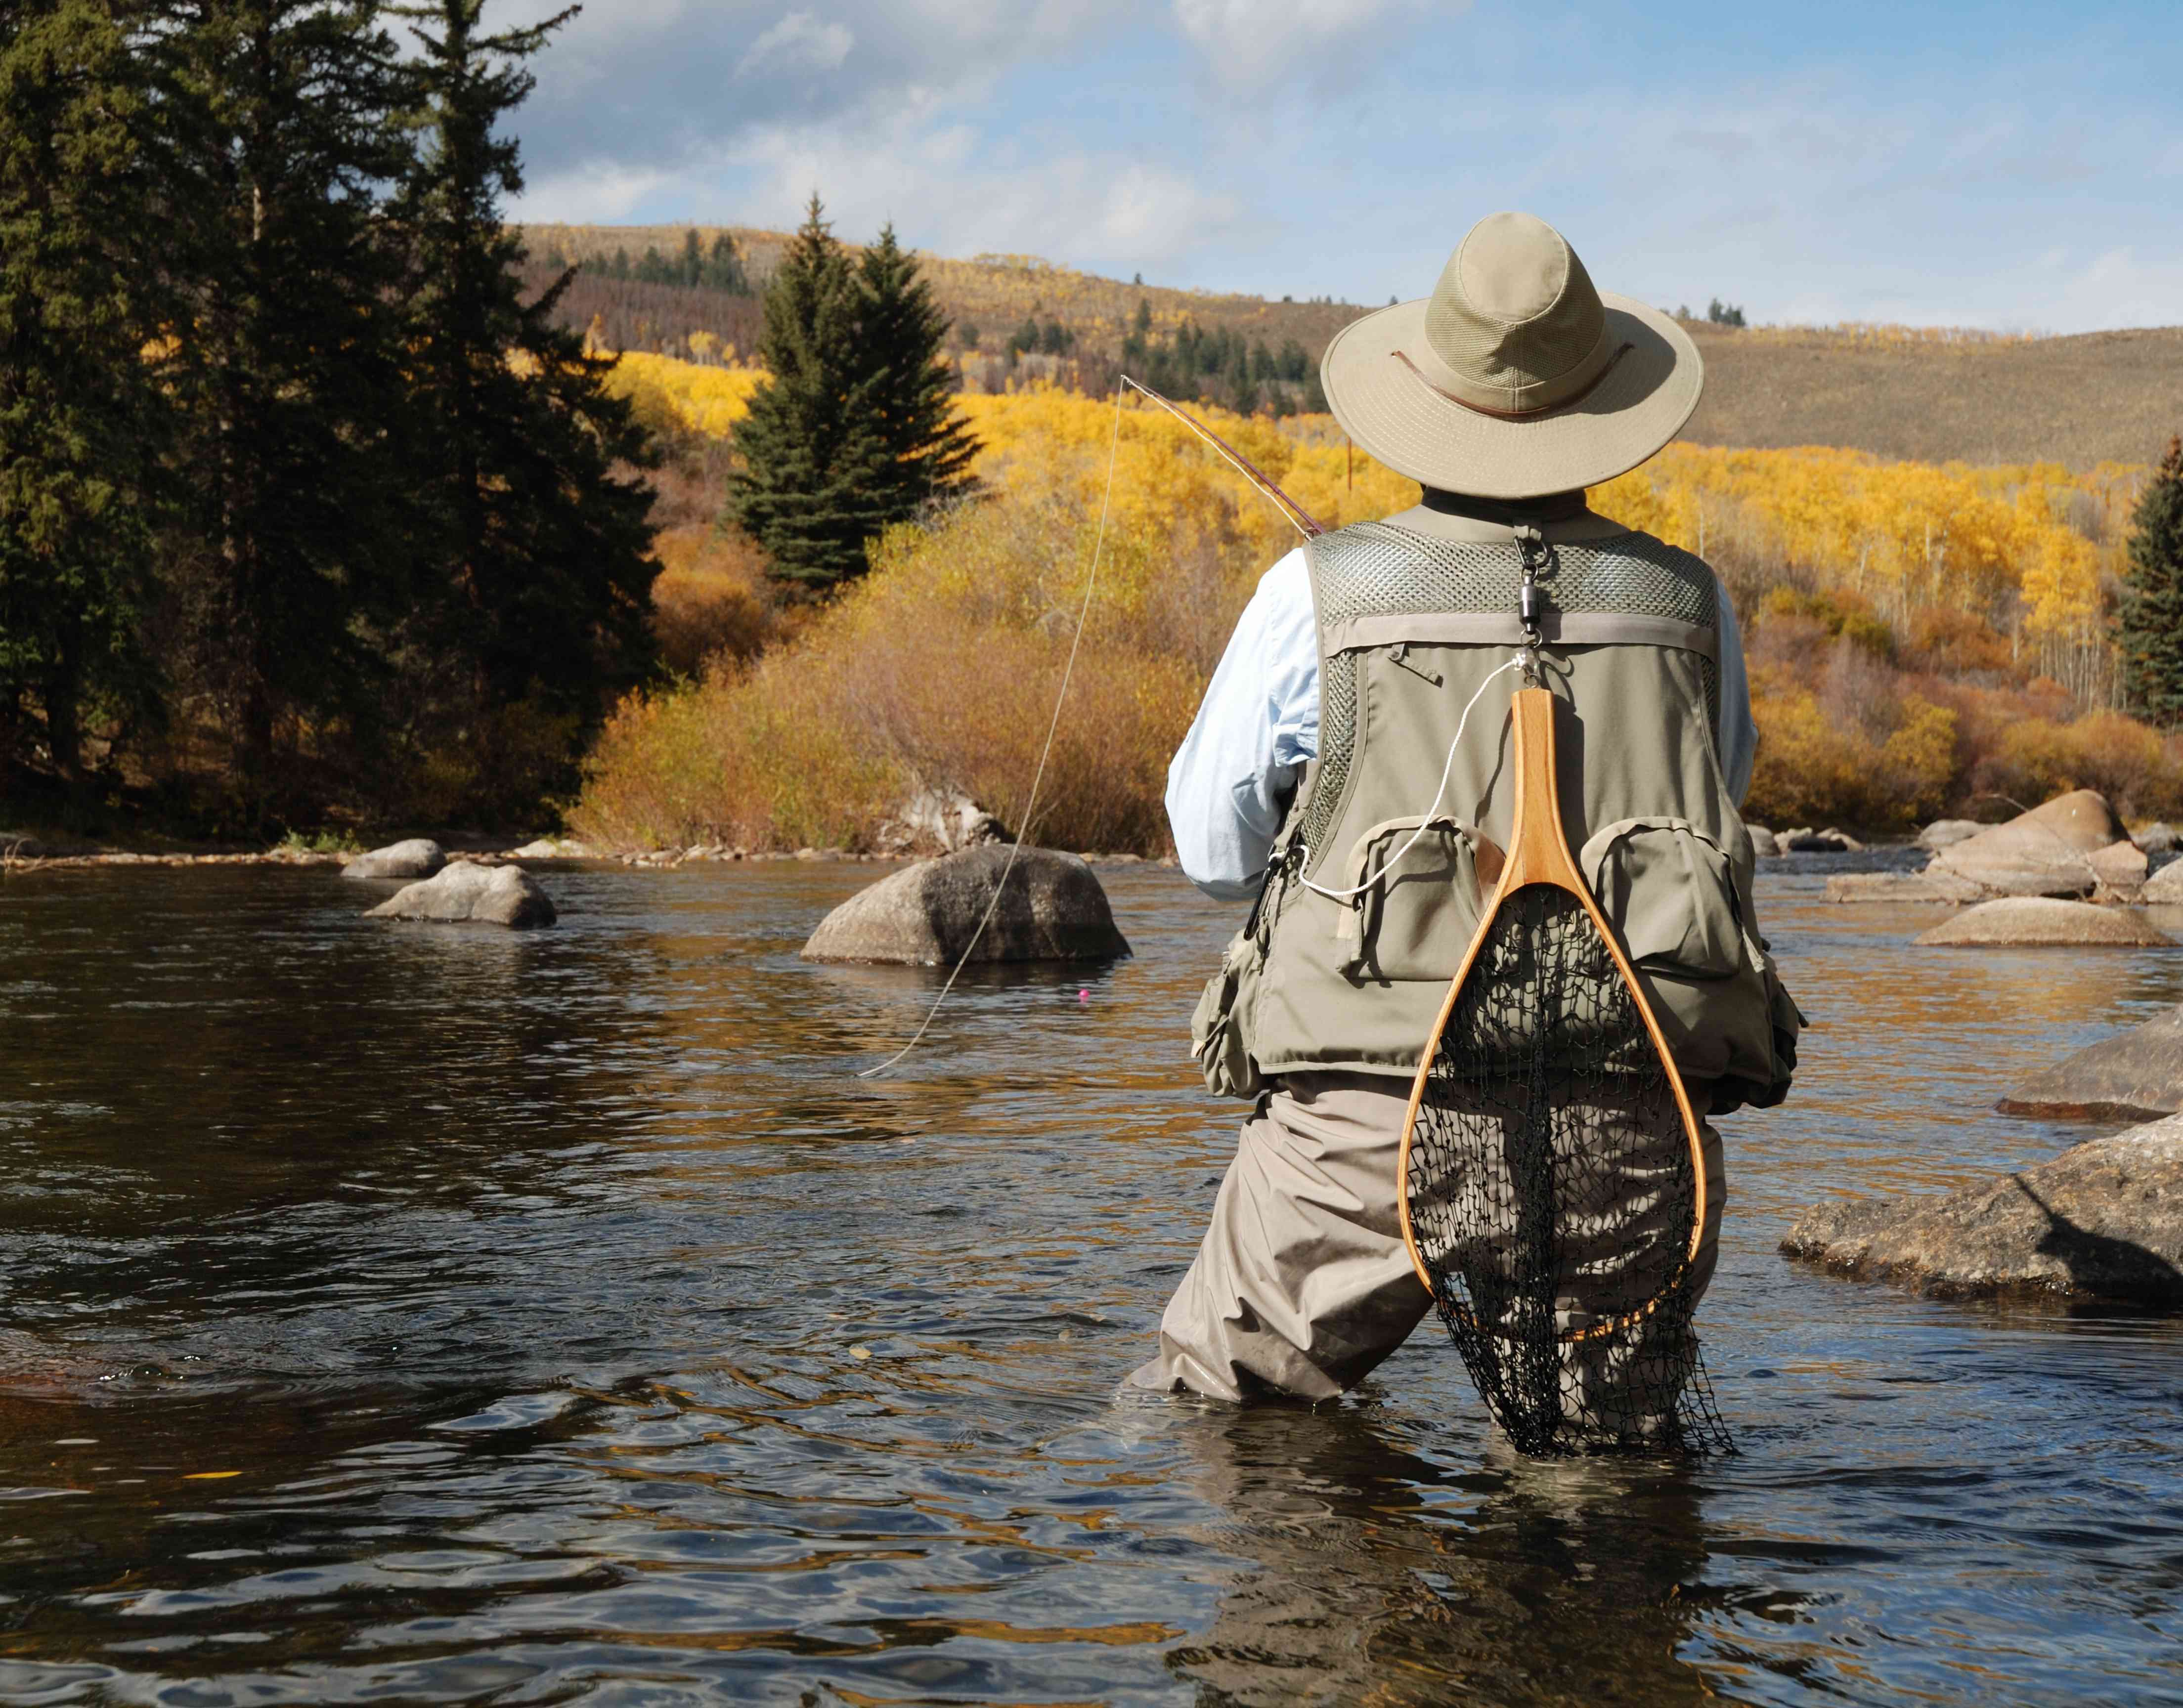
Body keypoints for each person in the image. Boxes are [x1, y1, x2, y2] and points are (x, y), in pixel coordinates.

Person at [1127, 211, 1800, 1408]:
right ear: (1604, 409)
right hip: (1630, 1112)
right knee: (1609, 1502)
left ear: (1426, 396)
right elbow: (1716, 807)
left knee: (1232, 1428)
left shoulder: (1313, 592)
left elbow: (1211, 852)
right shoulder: (1690, 603)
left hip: (1359, 1126)